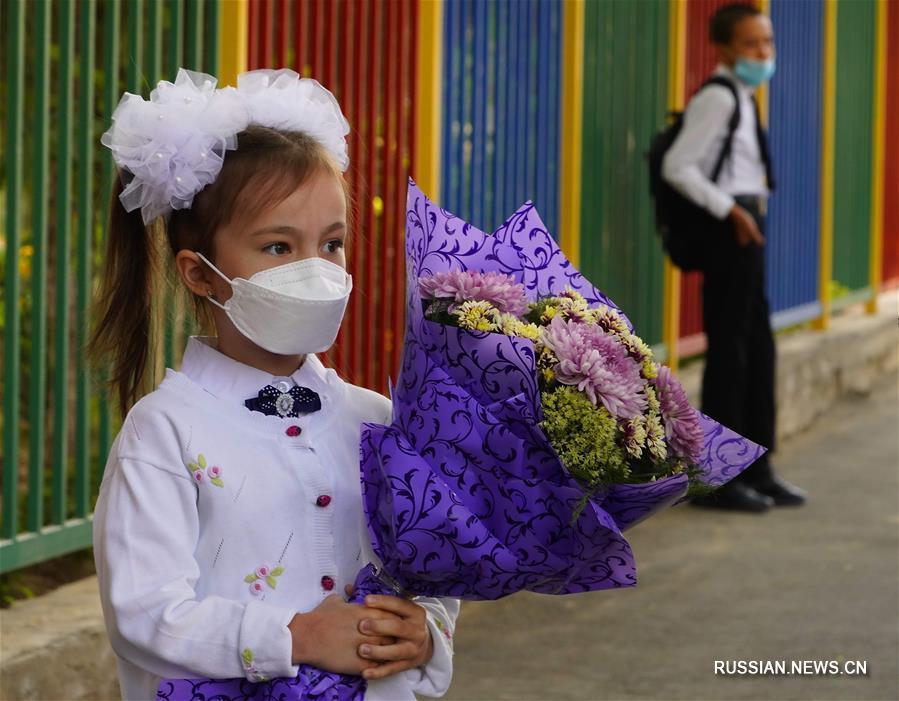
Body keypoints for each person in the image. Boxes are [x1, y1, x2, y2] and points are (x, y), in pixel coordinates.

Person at [89, 68, 458, 701]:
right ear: (200, 275)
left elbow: (433, 571)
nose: (315, 269)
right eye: (278, 247)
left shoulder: (378, 420)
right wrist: (296, 636)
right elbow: (145, 615)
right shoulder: (166, 433)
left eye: (333, 244)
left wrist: (426, 631)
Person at [661, 3, 806, 512]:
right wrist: (733, 212)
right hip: (731, 232)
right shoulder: (719, 99)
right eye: (752, 45)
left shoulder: (742, 97)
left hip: (747, 228)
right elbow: (680, 166)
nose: (763, 53)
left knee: (758, 350)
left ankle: (759, 468)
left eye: (767, 43)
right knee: (730, 354)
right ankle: (720, 480)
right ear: (723, 48)